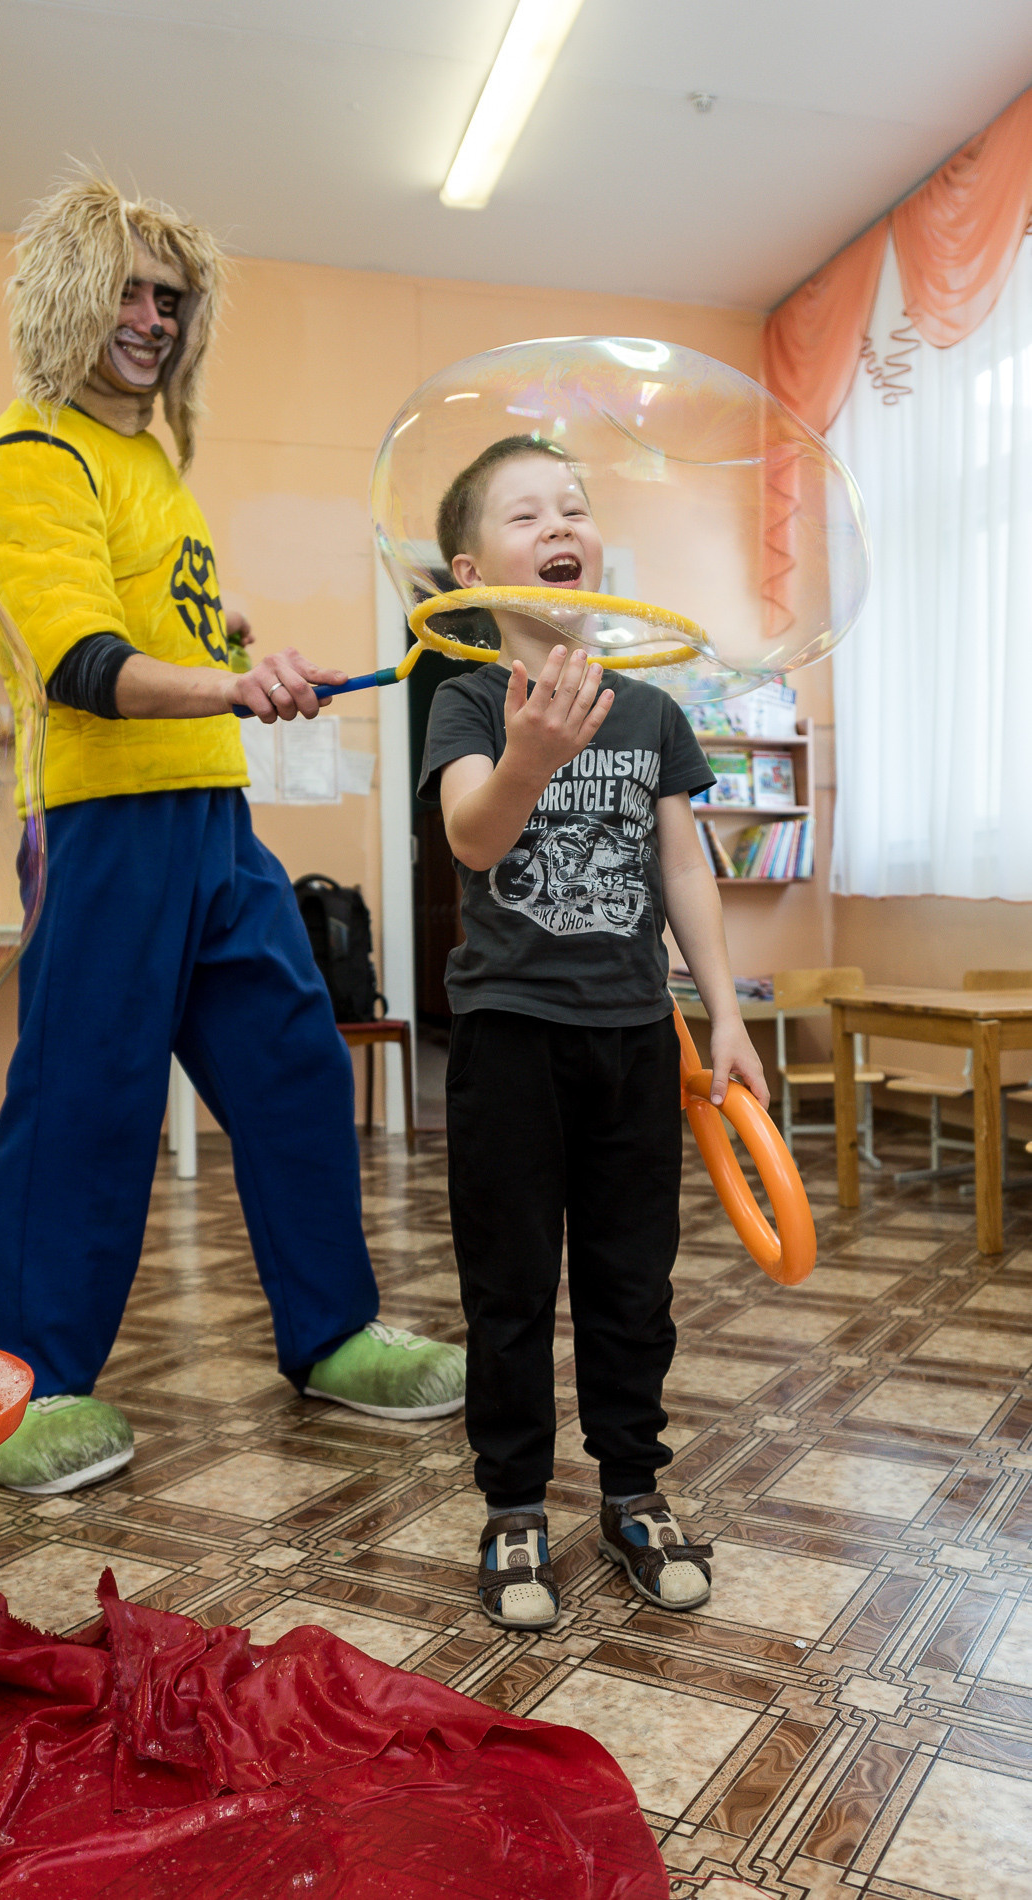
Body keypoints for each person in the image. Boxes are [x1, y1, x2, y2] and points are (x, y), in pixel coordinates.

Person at [0, 173, 464, 1497]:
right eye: (127, 291)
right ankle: (21, 1385)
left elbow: (170, 617)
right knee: (86, 1100)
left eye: (170, 299)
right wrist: (230, 684)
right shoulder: (32, 456)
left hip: (213, 819)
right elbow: (80, 661)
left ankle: (334, 1331)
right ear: (67, 297)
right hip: (105, 821)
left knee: (297, 1064)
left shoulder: (148, 470)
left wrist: (237, 642)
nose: (150, 319)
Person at [418, 435, 769, 1630]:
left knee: (632, 1282)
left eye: (573, 506)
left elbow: (683, 862)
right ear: (471, 568)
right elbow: (471, 835)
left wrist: (718, 1013)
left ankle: (632, 1488)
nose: (560, 523)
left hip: (633, 1037)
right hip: (510, 1037)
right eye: (527, 513)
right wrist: (527, 754)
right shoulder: (466, 699)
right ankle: (513, 1505)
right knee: (508, 1285)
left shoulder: (653, 710)